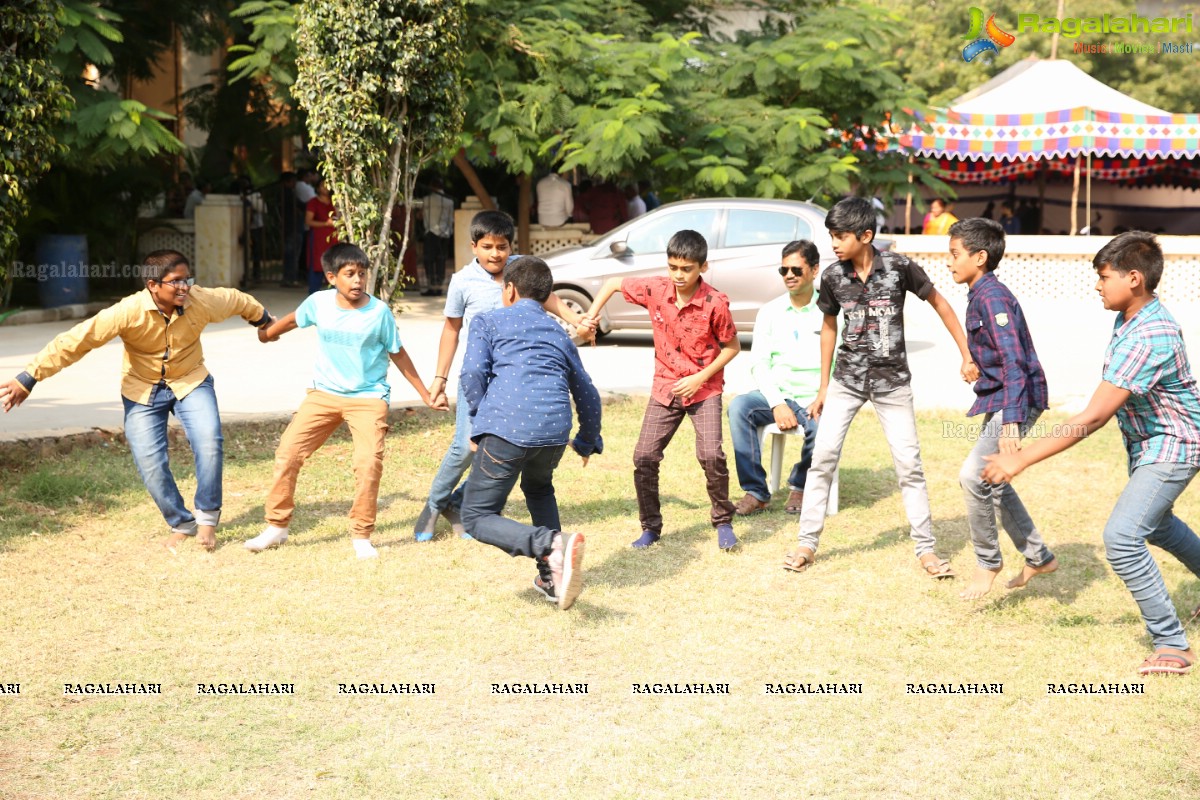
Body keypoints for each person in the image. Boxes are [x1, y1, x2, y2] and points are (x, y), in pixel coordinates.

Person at [983, 231, 1200, 676]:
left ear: (1134, 278)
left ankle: (1172, 646)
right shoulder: (1132, 318)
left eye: (1104, 277)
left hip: (1175, 444)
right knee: (1156, 526)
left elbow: (1095, 416)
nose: (1098, 286)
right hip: (1152, 442)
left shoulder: (1149, 334)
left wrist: (1019, 458)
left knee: (1122, 538)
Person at [0, 250, 273, 553]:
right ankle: (182, 522)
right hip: (142, 390)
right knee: (150, 462)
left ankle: (207, 519)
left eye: (188, 279)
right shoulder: (127, 312)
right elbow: (77, 340)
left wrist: (261, 319)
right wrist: (29, 377)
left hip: (190, 380)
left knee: (209, 440)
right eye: (176, 282)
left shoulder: (200, 299)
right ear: (153, 285)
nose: (185, 287)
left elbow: (236, 300)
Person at [783, 197, 978, 578]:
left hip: (893, 384)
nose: (835, 244)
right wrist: (823, 387)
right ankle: (807, 542)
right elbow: (828, 328)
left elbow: (940, 304)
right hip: (847, 382)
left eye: (840, 236)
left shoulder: (900, 267)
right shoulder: (833, 277)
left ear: (866, 235)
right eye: (831, 236)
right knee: (822, 459)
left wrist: (966, 354)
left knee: (909, 466)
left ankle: (926, 549)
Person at [245, 242, 448, 559]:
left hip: (368, 398)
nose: (357, 281)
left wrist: (425, 394)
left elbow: (398, 354)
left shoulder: (378, 312)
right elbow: (288, 322)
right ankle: (277, 527)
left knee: (367, 464)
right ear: (331, 276)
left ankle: (361, 535)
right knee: (288, 453)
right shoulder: (319, 303)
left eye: (362, 274)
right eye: (349, 274)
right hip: (323, 395)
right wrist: (266, 332)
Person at [415, 210, 595, 542]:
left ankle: (460, 503)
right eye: (487, 246)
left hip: (517, 380)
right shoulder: (463, 282)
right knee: (466, 448)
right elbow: (451, 330)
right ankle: (433, 505)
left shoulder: (520, 269)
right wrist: (439, 380)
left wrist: (576, 321)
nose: (495, 254)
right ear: (474, 246)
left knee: (505, 446)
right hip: (481, 378)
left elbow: (550, 297)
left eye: (502, 246)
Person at [584, 229, 741, 550]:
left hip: (704, 388)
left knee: (711, 455)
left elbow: (732, 347)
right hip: (665, 387)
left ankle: (723, 520)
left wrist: (700, 377)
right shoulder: (656, 289)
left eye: (687, 269)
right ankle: (650, 527)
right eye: (673, 267)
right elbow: (613, 282)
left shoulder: (715, 303)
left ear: (703, 268)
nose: (679, 275)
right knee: (644, 456)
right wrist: (590, 315)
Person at [459, 256, 601, 609]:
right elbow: (586, 390)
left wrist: (481, 421)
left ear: (508, 289)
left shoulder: (488, 320)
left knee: (476, 517)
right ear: (547, 294)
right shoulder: (557, 331)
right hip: (554, 432)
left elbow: (473, 374)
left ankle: (549, 545)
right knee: (539, 489)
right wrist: (586, 439)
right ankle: (552, 577)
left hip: (507, 427)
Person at [947, 218, 1056, 600]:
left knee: (973, 476)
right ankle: (1038, 556)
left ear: (980, 256)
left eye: (955, 254)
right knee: (992, 476)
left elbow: (1015, 364)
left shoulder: (991, 297)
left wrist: (1011, 424)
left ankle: (987, 562)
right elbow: (999, 353)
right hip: (1004, 395)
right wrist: (974, 363)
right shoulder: (979, 293)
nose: (950, 262)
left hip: (1017, 399)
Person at [727, 240, 823, 517]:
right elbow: (759, 363)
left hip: (816, 396)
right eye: (783, 270)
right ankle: (756, 491)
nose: (789, 275)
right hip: (779, 392)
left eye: (796, 269)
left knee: (824, 425)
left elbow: (839, 362)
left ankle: (801, 485)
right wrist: (776, 402)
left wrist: (823, 397)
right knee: (739, 407)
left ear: (814, 270)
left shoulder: (831, 310)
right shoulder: (769, 311)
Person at [419, 176, 455, 296]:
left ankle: (431, 286)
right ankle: (439, 287)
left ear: (432, 186)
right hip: (445, 234)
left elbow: (420, 215)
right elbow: (451, 219)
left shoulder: (426, 200)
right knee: (441, 260)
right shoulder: (449, 201)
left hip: (431, 232)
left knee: (429, 260)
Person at [305, 176, 338, 294]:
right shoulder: (313, 202)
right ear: (318, 188)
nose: (325, 187)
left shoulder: (335, 201)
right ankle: (313, 294)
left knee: (335, 264)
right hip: (318, 237)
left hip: (334, 237)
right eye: (323, 185)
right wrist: (326, 223)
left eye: (328, 185)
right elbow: (308, 221)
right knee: (317, 264)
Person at [279, 172, 305, 288]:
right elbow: (300, 206)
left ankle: (289, 278)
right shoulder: (288, 194)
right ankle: (291, 278)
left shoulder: (286, 194)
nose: (295, 184)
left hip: (290, 228)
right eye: (293, 181)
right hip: (292, 227)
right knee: (292, 254)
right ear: (287, 182)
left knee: (290, 254)